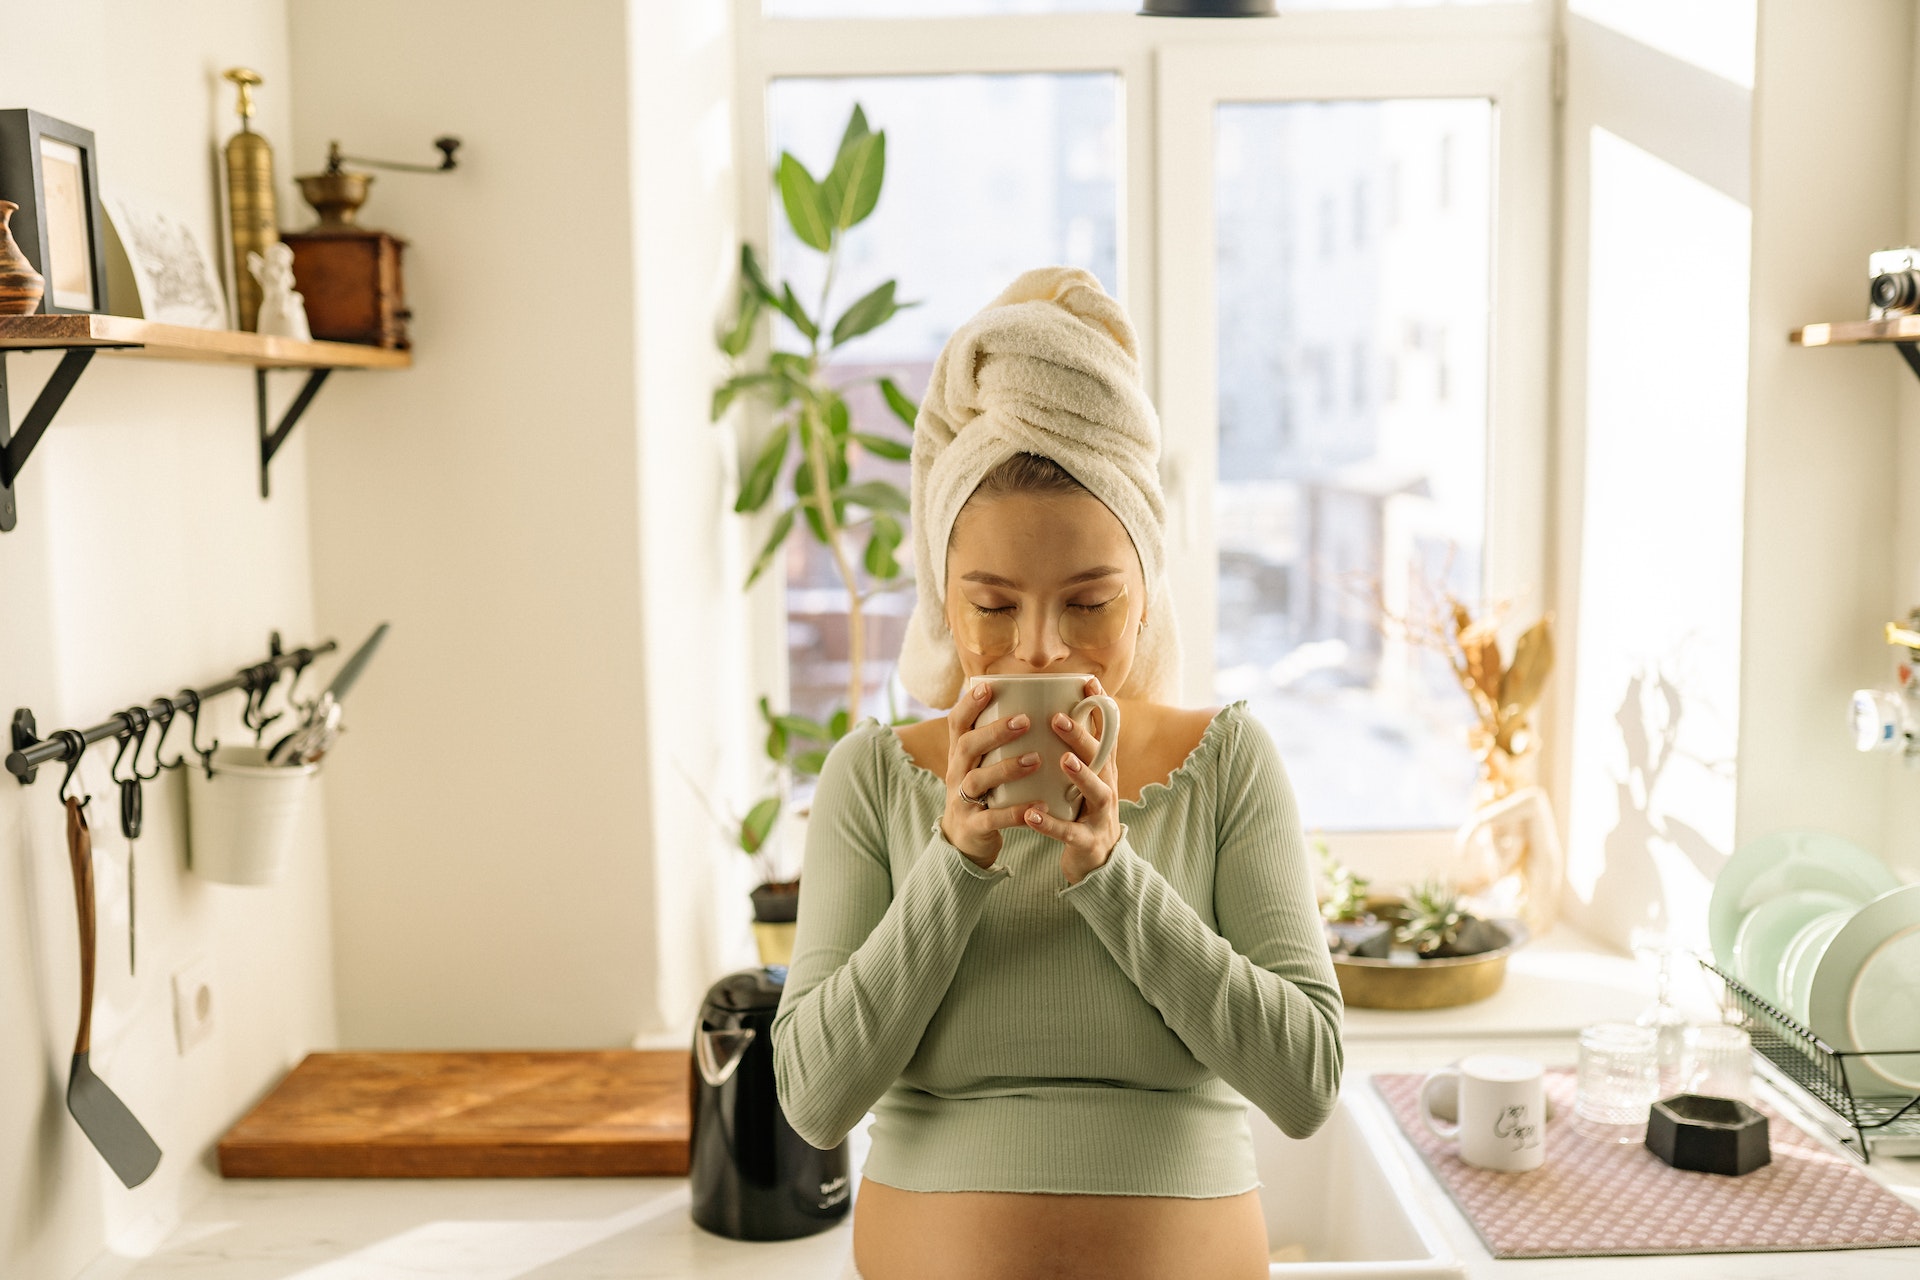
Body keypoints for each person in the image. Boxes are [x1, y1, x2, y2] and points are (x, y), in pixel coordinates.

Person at [771, 266, 1343, 1280]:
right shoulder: (872, 779)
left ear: (1145, 597)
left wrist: (1112, 872)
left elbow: (1303, 1083)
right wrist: (954, 860)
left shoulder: (1229, 762)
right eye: (993, 604)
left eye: (1088, 602)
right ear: (944, 599)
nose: (1040, 649)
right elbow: (815, 1096)